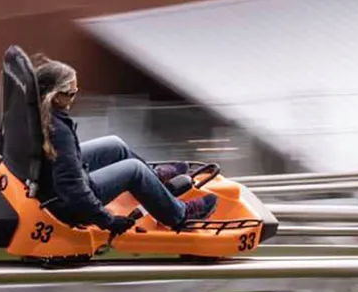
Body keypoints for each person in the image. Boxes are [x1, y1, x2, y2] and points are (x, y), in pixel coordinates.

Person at [30, 53, 218, 235]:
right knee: (134, 170)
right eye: (71, 94)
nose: (74, 98)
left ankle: (155, 180)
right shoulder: (58, 132)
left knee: (114, 144)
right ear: (54, 96)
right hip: (68, 204)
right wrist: (107, 221)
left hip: (50, 185)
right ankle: (180, 214)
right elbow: (71, 187)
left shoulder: (32, 114)